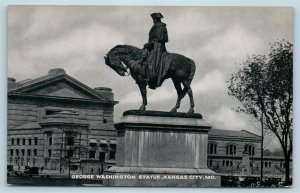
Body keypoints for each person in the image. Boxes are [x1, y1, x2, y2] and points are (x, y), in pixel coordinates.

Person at [144, 12, 168, 89]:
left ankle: (153, 77)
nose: (153, 21)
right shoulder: (156, 26)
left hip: (158, 46)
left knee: (152, 60)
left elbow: (158, 39)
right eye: (153, 19)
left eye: (154, 19)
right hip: (153, 45)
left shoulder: (160, 27)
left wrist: (149, 44)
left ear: (157, 20)